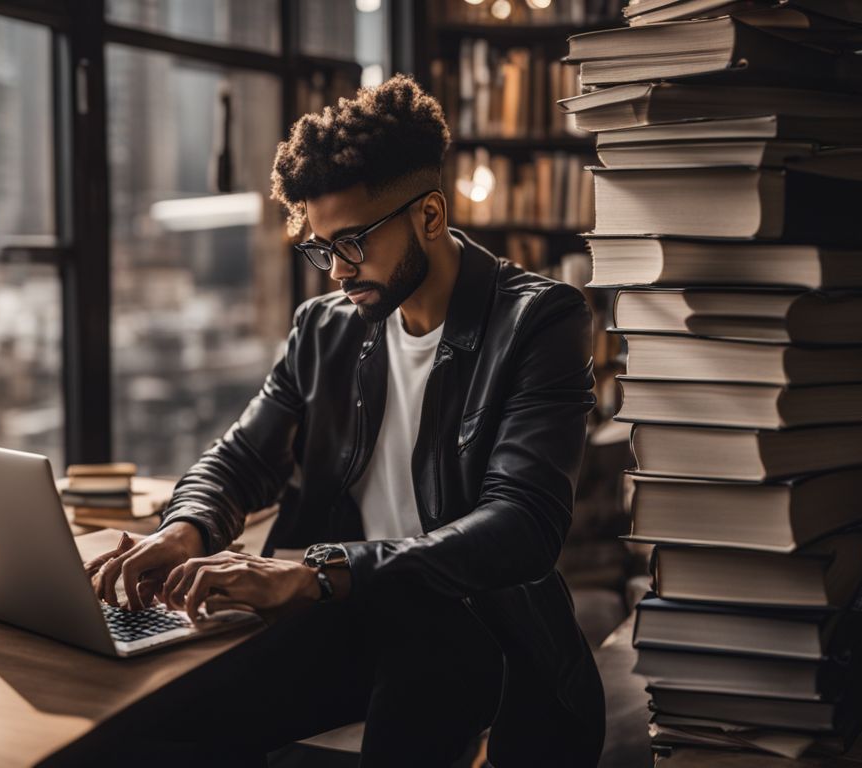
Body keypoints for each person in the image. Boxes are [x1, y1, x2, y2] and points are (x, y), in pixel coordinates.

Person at [90, 74, 605, 767]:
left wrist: (319, 572)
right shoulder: (325, 329)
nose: (335, 270)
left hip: (477, 628)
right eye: (322, 246)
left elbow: (521, 527)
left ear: (429, 216)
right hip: (344, 610)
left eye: (354, 242)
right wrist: (185, 529)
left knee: (421, 688)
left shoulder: (541, 322)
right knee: (143, 724)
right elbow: (243, 457)